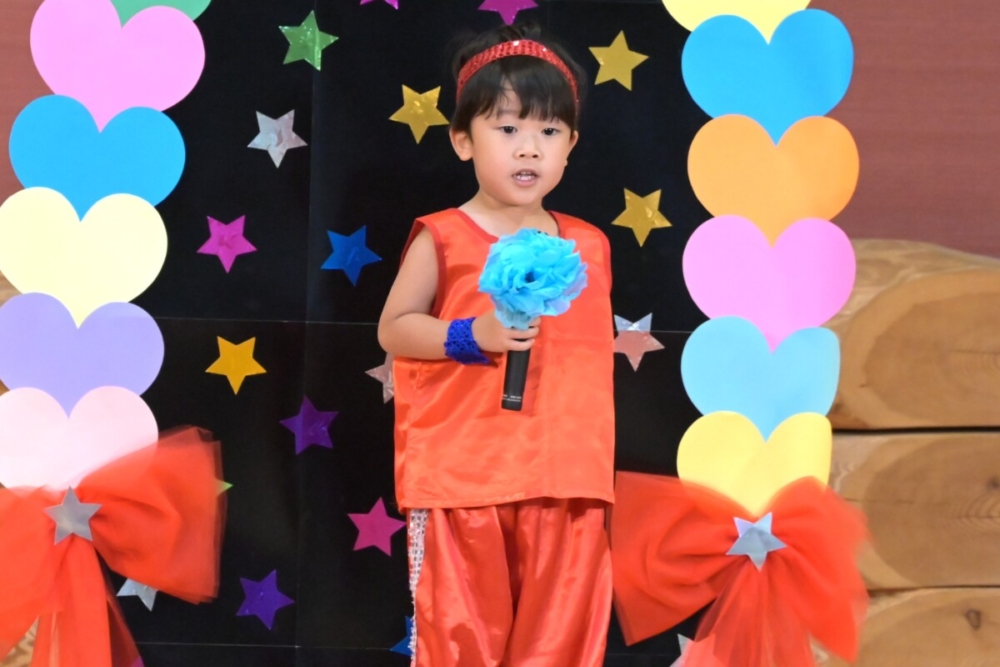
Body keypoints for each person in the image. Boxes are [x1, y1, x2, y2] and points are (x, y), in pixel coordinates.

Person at [378, 22, 615, 667]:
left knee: (559, 648)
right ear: (463, 140)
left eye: (549, 132)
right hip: (464, 480)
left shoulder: (589, 245)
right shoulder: (444, 236)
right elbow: (394, 327)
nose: (529, 149)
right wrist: (469, 334)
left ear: (570, 145)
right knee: (462, 645)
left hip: (567, 481)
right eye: (507, 129)